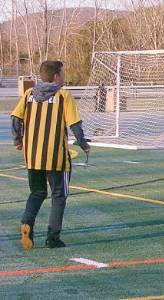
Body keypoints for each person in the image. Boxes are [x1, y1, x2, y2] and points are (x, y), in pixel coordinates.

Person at [11, 61, 91, 249]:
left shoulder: (29, 94)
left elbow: (16, 118)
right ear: (56, 76)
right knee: (59, 195)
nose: (63, 78)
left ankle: (27, 223)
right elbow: (75, 124)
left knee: (37, 192)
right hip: (56, 157)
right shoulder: (63, 96)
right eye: (62, 74)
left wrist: (18, 140)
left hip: (32, 156)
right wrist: (84, 144)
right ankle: (52, 238)